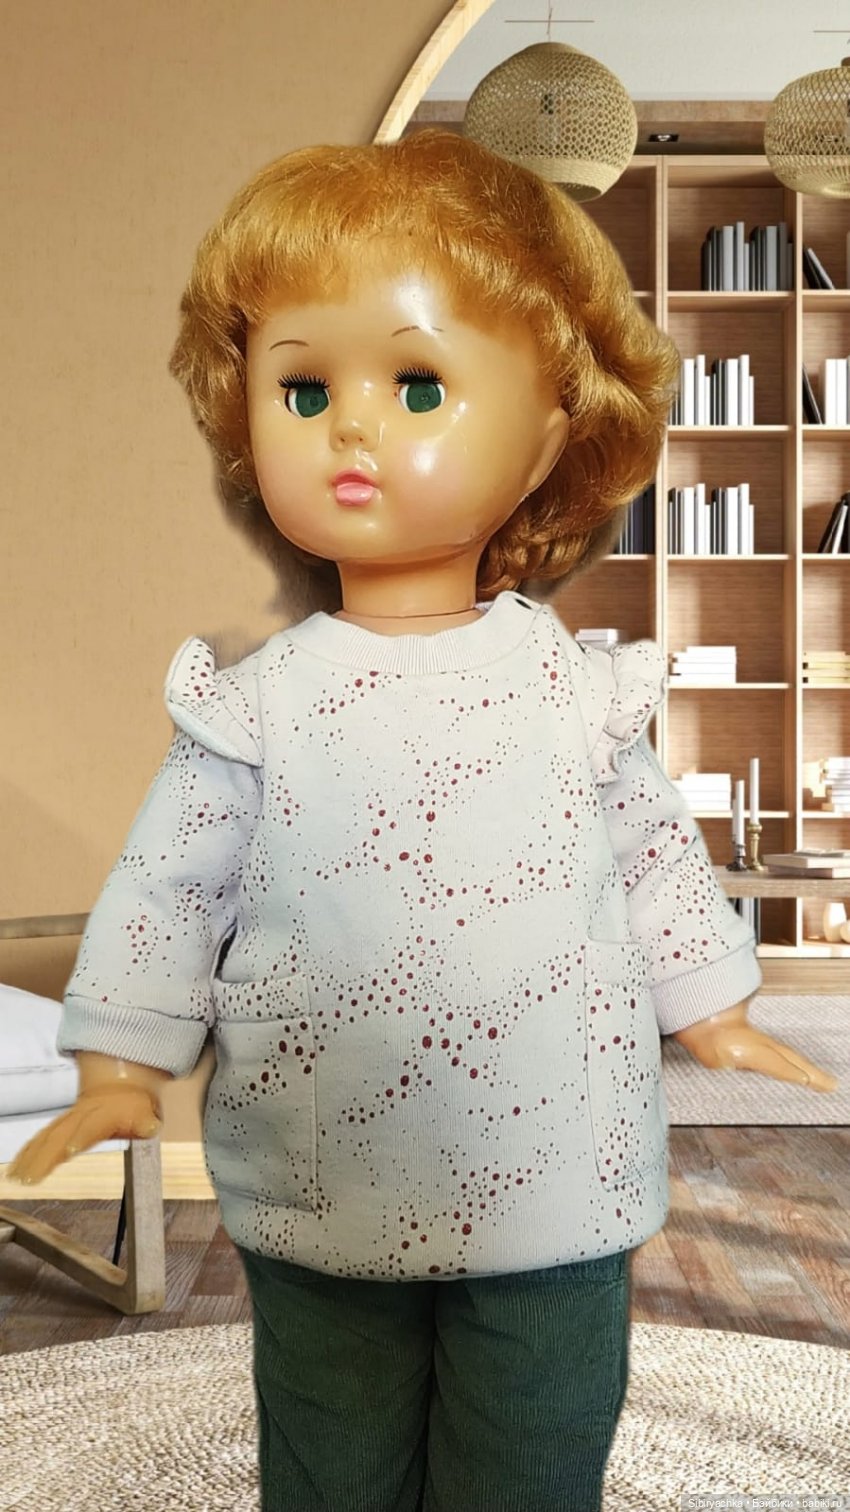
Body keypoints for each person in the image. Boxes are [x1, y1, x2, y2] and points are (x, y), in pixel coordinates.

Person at [8, 129, 836, 1512]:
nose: (352, 428)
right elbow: (169, 890)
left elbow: (650, 858)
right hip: (321, 1168)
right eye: (304, 389)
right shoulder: (253, 709)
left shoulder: (576, 695)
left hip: (554, 1161)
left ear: (553, 432)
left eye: (416, 385)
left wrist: (712, 1006)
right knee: (330, 1449)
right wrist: (120, 1060)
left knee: (534, 1446)